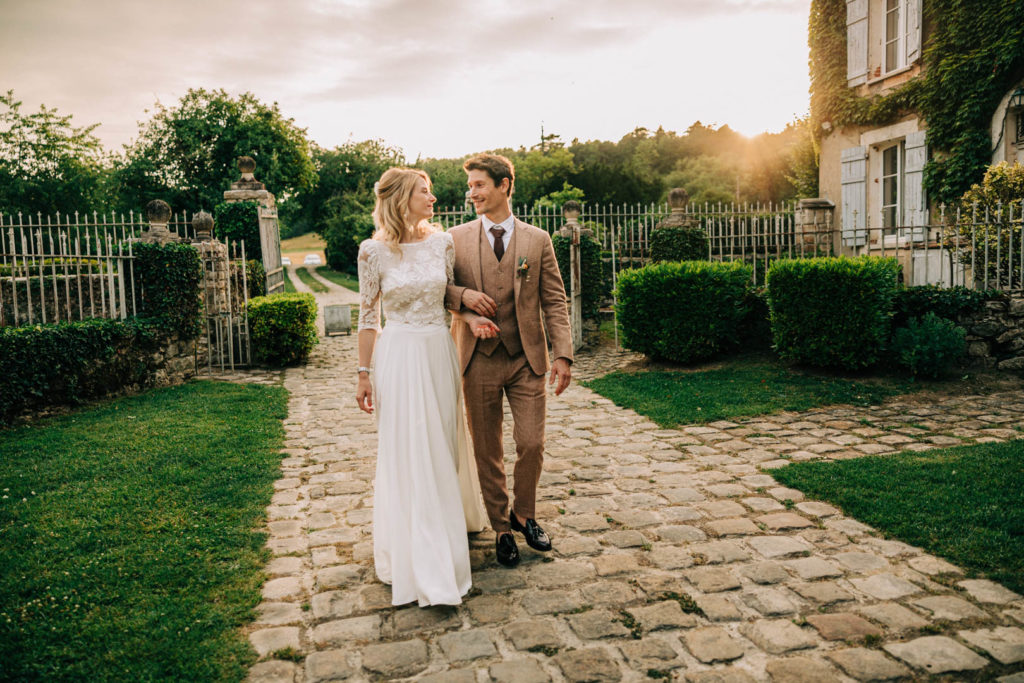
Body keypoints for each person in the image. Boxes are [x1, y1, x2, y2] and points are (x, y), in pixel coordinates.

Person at [355, 167, 493, 607]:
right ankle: (419, 550)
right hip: (398, 355)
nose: (432, 198)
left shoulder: (443, 243)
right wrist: (363, 372)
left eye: (430, 192)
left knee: (442, 444)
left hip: (438, 352)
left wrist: (471, 316)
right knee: (408, 449)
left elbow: (449, 301)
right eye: (424, 192)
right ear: (400, 198)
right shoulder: (372, 252)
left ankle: (449, 526)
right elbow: (367, 318)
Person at [445, 153, 574, 568]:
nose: (472, 193)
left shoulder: (538, 241)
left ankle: (525, 513)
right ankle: (502, 527)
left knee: (532, 443)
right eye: (471, 186)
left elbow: (554, 299)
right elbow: (437, 288)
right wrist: (464, 298)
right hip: (477, 358)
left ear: (504, 185)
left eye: (479, 185)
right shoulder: (455, 239)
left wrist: (563, 355)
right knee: (487, 449)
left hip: (525, 357)